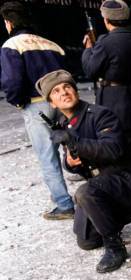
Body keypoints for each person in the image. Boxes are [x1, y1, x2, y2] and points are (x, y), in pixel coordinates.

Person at [36, 69, 131, 274]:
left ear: (75, 91)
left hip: (125, 179)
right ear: (52, 103)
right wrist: (71, 162)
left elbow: (113, 149)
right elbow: (77, 160)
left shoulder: (100, 114)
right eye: (56, 91)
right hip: (102, 185)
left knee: (84, 192)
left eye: (67, 87)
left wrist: (74, 141)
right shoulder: (65, 124)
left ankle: (115, 247)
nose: (64, 92)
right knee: (87, 241)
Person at [0, 1, 74, 219]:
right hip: (63, 102)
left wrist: (18, 102)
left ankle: (64, 204)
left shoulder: (12, 45)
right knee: (73, 147)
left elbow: (12, 81)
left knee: (47, 156)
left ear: (9, 22)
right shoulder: (51, 44)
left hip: (36, 104)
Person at [81, 0, 131, 161]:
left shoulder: (105, 42)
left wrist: (88, 49)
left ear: (106, 20)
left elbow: (90, 70)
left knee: (118, 144)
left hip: (114, 99)